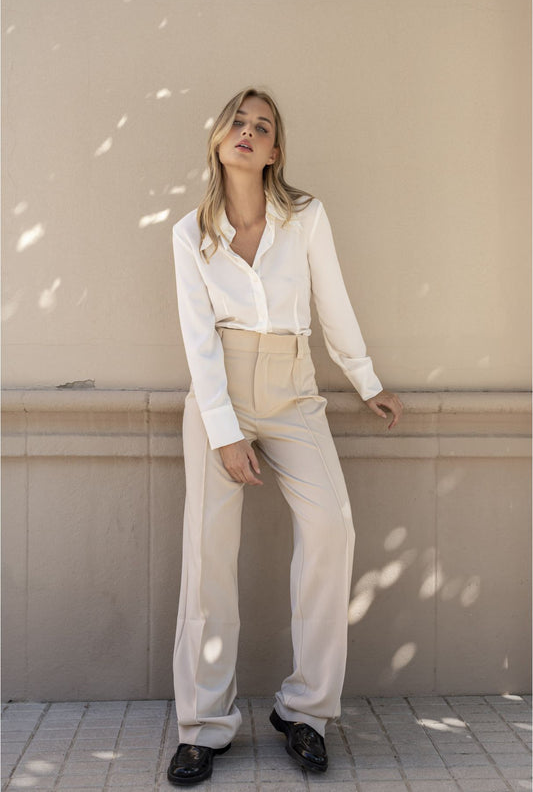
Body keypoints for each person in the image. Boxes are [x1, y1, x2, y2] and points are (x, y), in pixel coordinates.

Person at [167, 86, 403, 786]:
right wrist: (223, 431)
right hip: (220, 388)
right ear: (218, 139)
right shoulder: (189, 233)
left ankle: (305, 712)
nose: (247, 131)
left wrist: (365, 380)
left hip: (294, 388)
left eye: (261, 126)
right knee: (207, 554)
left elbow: (333, 302)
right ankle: (202, 725)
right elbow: (197, 340)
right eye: (236, 122)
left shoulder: (305, 217)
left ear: (274, 152)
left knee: (331, 526)